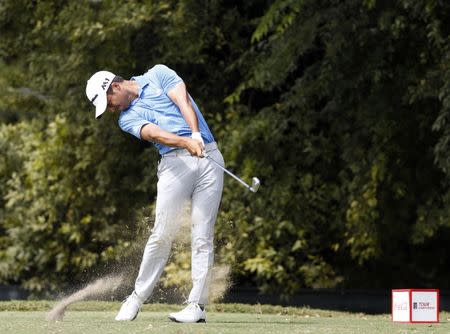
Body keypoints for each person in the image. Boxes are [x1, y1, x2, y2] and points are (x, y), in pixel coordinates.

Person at [85, 64, 224, 323]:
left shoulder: (158, 74)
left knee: (203, 234)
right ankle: (136, 297)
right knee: (162, 233)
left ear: (115, 86)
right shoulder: (126, 119)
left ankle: (196, 306)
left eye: (110, 103)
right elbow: (154, 133)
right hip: (174, 165)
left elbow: (182, 99)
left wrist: (195, 135)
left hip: (209, 156)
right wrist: (185, 141)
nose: (112, 110)